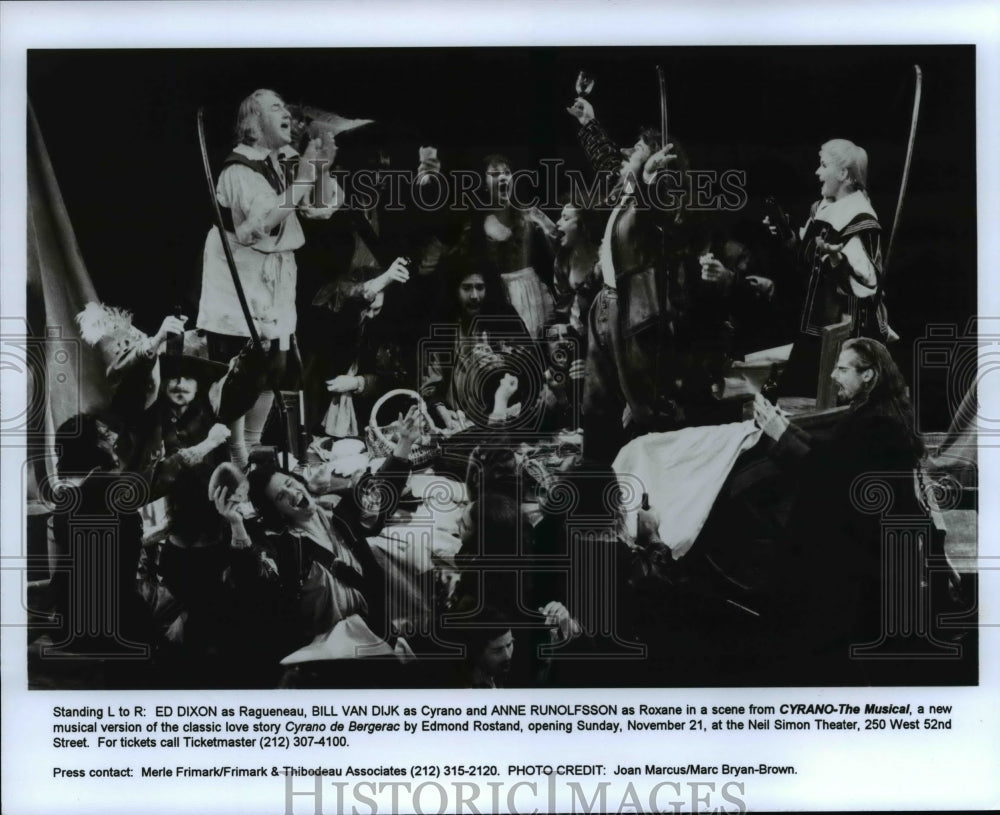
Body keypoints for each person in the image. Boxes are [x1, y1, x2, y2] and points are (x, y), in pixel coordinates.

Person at [566, 94, 733, 464]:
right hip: (607, 309)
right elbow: (611, 162)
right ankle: (596, 486)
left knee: (646, 410)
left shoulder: (662, 193)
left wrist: (651, 180)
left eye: (638, 147)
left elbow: (660, 220)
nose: (627, 150)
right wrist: (590, 123)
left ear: (656, 155)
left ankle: (654, 490)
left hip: (637, 317)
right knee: (596, 407)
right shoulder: (628, 186)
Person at [752, 338, 927, 681]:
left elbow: (827, 477)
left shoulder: (878, 423)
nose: (833, 375)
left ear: (869, 376)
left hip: (864, 554)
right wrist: (785, 429)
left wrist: (780, 435)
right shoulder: (877, 409)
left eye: (843, 369)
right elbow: (834, 457)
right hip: (867, 537)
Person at [197, 88, 338, 468]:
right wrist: (307, 172)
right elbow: (258, 225)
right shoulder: (239, 169)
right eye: (276, 107)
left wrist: (320, 168)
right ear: (252, 124)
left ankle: (249, 459)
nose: (287, 112)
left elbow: (320, 209)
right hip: (239, 285)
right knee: (241, 377)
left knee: (270, 372)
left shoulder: (284, 160)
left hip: (275, 285)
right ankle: (235, 469)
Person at [772, 139, 891, 396]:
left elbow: (867, 284)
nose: (817, 172)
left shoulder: (860, 218)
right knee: (800, 391)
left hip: (843, 328)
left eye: (824, 165)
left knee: (832, 393)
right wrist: (787, 235)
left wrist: (837, 261)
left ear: (843, 174)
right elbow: (806, 258)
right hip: (815, 322)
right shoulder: (822, 207)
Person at [463, 153, 559, 339]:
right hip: (496, 298)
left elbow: (561, 251)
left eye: (507, 172)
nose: (503, 178)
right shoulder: (475, 227)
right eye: (494, 174)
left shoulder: (531, 216)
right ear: (484, 183)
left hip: (532, 296)